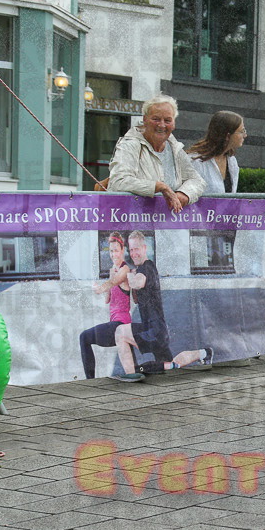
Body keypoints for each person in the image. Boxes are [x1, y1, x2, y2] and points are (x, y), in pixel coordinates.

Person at [112, 231, 214, 381]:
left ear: (144, 248)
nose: (133, 253)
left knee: (120, 332)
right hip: (158, 330)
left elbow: (138, 283)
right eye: (131, 250)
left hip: (154, 330)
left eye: (136, 249)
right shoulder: (140, 269)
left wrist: (125, 273)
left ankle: (130, 375)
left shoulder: (148, 266)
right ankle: (204, 353)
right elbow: (136, 299)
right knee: (171, 363)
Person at [107, 94, 206, 213]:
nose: (162, 125)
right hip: (132, 221)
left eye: (167, 120)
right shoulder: (130, 145)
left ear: (174, 123)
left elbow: (197, 181)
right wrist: (158, 187)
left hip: (168, 224)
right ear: (145, 119)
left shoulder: (174, 148)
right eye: (156, 119)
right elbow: (118, 182)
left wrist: (184, 194)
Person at [80, 232, 135, 381]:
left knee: (84, 337)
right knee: (132, 367)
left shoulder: (125, 269)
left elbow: (113, 283)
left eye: (116, 250)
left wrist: (102, 287)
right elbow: (107, 299)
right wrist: (99, 286)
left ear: (123, 250)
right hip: (115, 324)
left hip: (121, 325)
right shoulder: (113, 270)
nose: (113, 254)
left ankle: (90, 381)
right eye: (111, 251)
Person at [187, 111, 245, 194]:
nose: (245, 135)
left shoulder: (232, 161)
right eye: (241, 131)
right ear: (228, 136)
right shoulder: (195, 161)